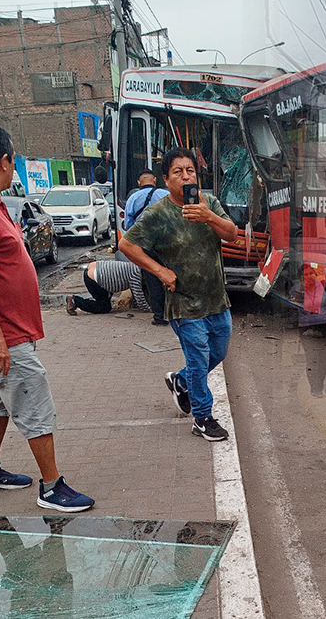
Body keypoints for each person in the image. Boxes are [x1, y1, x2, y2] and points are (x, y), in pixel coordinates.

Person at [0, 123, 94, 512]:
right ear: (4, 160)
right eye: (14, 159)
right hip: (5, 334)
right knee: (33, 398)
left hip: (12, 330)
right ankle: (52, 486)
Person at [119, 148, 238, 442]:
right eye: (178, 172)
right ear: (166, 179)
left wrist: (209, 217)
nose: (186, 176)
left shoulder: (208, 202)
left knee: (218, 353)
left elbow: (232, 233)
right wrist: (160, 271)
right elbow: (127, 245)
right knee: (199, 360)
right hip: (184, 303)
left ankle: (180, 380)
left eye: (190, 171)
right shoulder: (158, 214)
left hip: (216, 299)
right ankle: (202, 418)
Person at [122, 171, 169, 324]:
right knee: (171, 276)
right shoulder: (166, 194)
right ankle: (175, 313)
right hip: (167, 243)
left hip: (145, 245)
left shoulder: (132, 198)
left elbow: (129, 226)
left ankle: (159, 316)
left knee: (153, 279)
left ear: (138, 182)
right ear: (155, 180)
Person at [291, 263, 326, 398]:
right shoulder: (296, 289)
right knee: (312, 358)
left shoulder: (323, 286)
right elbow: (293, 304)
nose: (308, 276)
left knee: (322, 358)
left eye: (310, 273)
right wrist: (301, 289)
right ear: (300, 278)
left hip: (325, 325)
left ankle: (320, 385)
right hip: (306, 327)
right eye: (305, 275)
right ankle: (315, 388)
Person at [65, 260, 151, 315]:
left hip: (96, 267)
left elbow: (136, 293)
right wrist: (150, 310)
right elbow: (139, 297)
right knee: (104, 307)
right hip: (94, 278)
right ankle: (75, 300)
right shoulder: (136, 275)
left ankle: (75, 300)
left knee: (105, 300)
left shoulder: (136, 266)